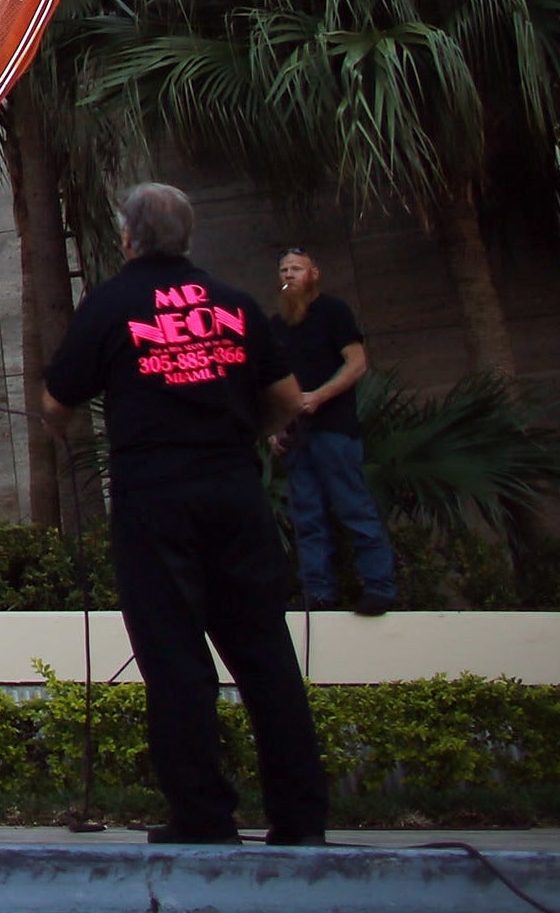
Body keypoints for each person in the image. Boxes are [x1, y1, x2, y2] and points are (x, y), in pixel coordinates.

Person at [43, 185, 327, 846]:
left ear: (127, 239)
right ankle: (301, 817)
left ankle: (203, 816)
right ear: (188, 236)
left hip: (154, 495)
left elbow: (58, 402)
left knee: (174, 659)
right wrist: (244, 433)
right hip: (233, 486)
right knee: (265, 653)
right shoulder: (234, 303)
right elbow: (287, 399)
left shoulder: (110, 303)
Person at [275, 251, 397, 615]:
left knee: (353, 506)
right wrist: (275, 426)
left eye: (296, 269)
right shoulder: (277, 325)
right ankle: (319, 592)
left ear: (314, 273)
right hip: (297, 433)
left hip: (334, 428)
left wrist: (319, 397)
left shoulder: (333, 312)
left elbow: (357, 363)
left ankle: (380, 587)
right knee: (307, 515)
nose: (289, 275)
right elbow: (271, 380)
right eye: (283, 270)